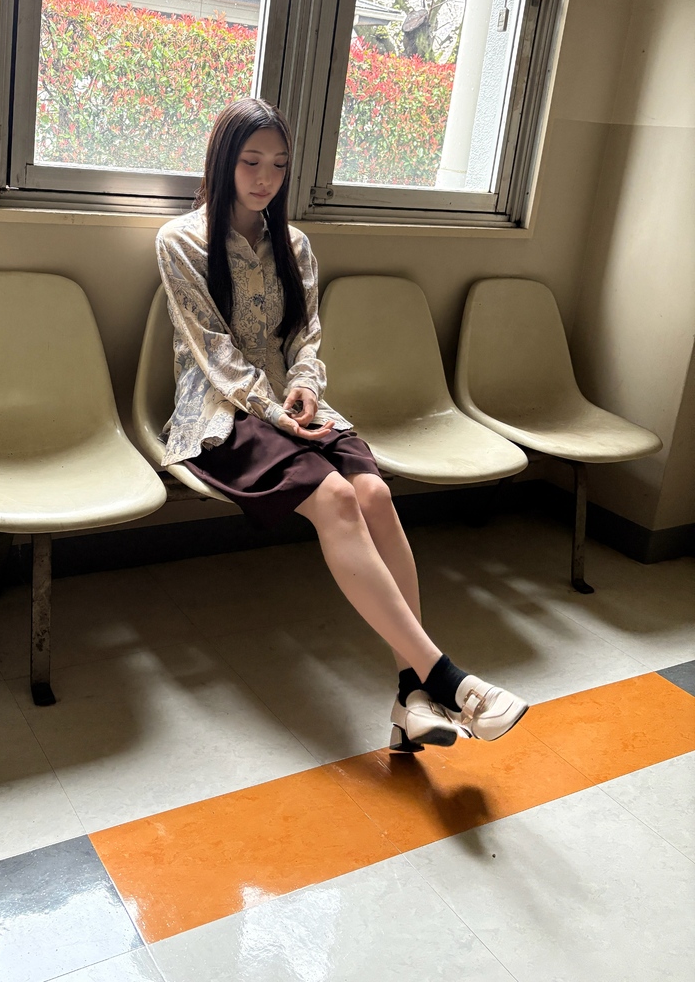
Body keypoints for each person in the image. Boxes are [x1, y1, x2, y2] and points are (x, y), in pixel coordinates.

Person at [155, 97, 528, 751]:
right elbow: (212, 352)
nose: (265, 178)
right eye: (250, 162)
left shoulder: (294, 243)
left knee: (374, 493)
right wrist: (275, 410)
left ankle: (412, 695)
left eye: (278, 164)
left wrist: (303, 387)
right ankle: (448, 681)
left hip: (293, 402)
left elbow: (306, 335)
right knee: (335, 498)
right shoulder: (180, 241)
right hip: (220, 412)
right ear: (222, 161)